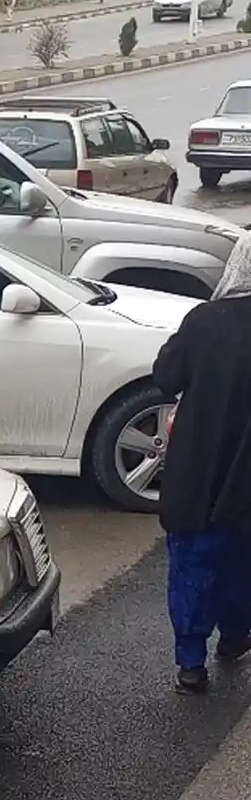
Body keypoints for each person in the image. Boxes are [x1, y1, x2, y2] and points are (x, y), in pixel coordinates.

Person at [153, 236, 251, 690]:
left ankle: (190, 664)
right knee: (242, 559)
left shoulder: (204, 321)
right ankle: (234, 637)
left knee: (192, 562)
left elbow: (166, 377)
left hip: (199, 466)